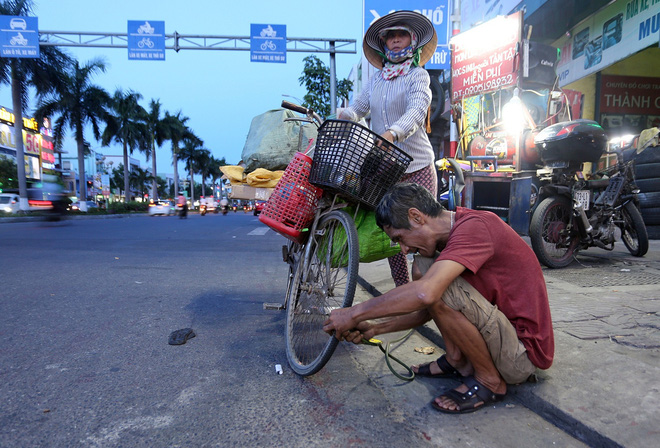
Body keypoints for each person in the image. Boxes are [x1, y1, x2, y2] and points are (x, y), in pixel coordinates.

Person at [323, 183, 554, 414]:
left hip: (521, 356)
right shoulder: (453, 234)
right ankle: (457, 360)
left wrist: (353, 313)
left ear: (416, 217)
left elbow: (427, 294)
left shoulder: (477, 227)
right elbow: (428, 310)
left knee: (432, 284)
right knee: (424, 268)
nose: (403, 249)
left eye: (401, 238)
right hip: (502, 338)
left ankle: (489, 381)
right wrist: (375, 328)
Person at [338, 10, 438, 287]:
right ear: (383, 43)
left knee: (425, 231)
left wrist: (393, 133)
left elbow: (418, 110)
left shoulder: (418, 76)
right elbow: (357, 109)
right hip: (387, 168)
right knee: (393, 234)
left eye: (401, 34)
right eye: (390, 36)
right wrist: (342, 115)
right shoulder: (376, 80)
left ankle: (432, 289)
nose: (395, 40)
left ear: (412, 39)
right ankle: (403, 290)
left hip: (416, 165)